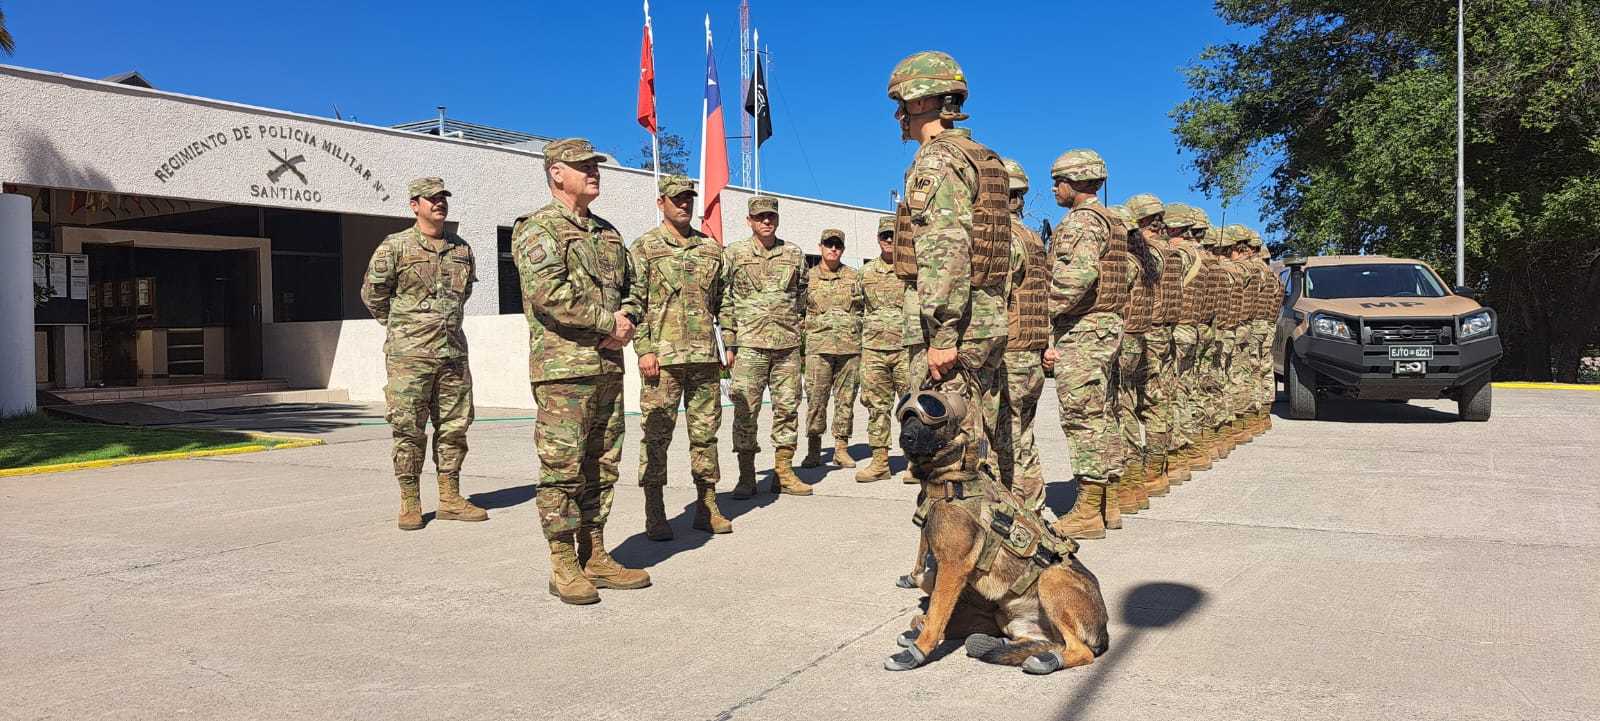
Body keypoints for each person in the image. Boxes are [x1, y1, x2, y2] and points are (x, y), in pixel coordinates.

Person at [512, 138, 650, 605]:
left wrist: (626, 320)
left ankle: (595, 552)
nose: (594, 172)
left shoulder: (609, 234)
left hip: (608, 366)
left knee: (603, 466)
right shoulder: (538, 229)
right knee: (562, 469)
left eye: (595, 165)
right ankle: (562, 561)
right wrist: (607, 321)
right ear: (556, 173)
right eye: (583, 166)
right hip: (563, 371)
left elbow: (635, 288)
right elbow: (548, 293)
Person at [887, 50, 1010, 481]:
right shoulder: (983, 156)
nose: (898, 115)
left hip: (955, 328)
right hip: (985, 318)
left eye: (901, 104)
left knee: (948, 453)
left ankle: (961, 546)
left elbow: (946, 249)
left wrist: (942, 333)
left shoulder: (937, 160)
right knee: (980, 438)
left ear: (921, 103)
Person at [361, 177, 487, 531]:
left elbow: (462, 297)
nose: (438, 204)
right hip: (409, 357)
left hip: (453, 354)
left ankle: (449, 497)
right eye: (430, 199)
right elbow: (373, 296)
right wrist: (405, 330)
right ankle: (410, 500)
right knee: (408, 428)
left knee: (454, 426)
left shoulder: (461, 249)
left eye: (443, 198)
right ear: (414, 205)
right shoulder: (395, 247)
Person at [628, 175, 732, 541]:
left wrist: (728, 344)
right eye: (676, 199)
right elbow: (632, 303)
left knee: (706, 436)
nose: (684, 204)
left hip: (704, 357)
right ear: (661, 203)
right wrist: (644, 348)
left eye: (689, 198)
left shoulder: (710, 249)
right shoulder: (645, 248)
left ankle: (707, 505)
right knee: (657, 436)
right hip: (663, 360)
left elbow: (724, 302)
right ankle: (654, 511)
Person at [1046, 149, 1133, 540]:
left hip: (1084, 329)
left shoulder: (1081, 222)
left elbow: (1076, 277)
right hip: (1106, 326)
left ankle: (1087, 511)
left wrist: (1040, 310)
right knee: (1104, 414)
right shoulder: (1113, 221)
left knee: (1082, 417)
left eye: (1058, 180)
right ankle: (1108, 501)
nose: (1054, 188)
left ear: (1077, 182)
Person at [721, 196, 812, 497]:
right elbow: (724, 299)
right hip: (749, 346)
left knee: (788, 408)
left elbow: (803, 295)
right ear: (749, 220)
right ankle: (747, 476)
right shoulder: (734, 254)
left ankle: (783, 473)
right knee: (746, 411)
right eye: (760, 217)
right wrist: (729, 341)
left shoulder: (794, 254)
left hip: (786, 347)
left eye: (771, 216)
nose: (766, 221)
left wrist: (796, 326)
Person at [996, 158, 1050, 510]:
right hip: (1031, 352)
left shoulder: (1005, 241)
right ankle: (1035, 501)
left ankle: (1018, 511)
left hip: (1009, 352)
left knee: (1007, 439)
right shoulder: (1034, 240)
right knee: (1023, 433)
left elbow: (996, 297)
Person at [801, 229, 865, 469]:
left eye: (838, 245)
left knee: (845, 400)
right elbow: (796, 309)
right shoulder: (807, 278)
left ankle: (841, 448)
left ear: (843, 249)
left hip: (849, 349)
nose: (833, 249)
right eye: (829, 244)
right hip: (819, 349)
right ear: (820, 247)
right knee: (816, 400)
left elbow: (864, 310)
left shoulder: (854, 277)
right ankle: (814, 449)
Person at [855, 216, 908, 482]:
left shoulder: (911, 268)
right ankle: (880, 462)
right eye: (885, 236)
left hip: (906, 349)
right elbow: (855, 310)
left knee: (912, 406)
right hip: (874, 350)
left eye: (893, 236)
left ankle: (915, 462)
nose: (889, 240)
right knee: (877, 407)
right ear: (878, 238)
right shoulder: (865, 273)